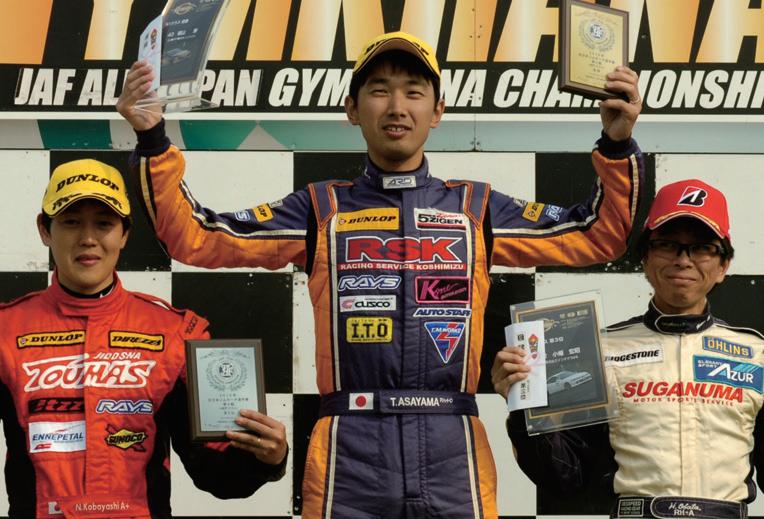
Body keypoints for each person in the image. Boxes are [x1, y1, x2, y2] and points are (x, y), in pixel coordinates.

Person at [117, 30, 644, 518]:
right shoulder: (320, 208)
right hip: (349, 446)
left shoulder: (476, 208)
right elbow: (197, 236)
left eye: (414, 92)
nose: (397, 107)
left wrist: (617, 144)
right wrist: (153, 138)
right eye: (379, 91)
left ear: (438, 111)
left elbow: (599, 234)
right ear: (352, 109)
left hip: (452, 443)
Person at [0, 159, 288, 518]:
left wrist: (265, 458)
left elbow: (215, 475)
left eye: (103, 224)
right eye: (71, 222)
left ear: (124, 234)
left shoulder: (174, 333)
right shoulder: (6, 330)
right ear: (45, 230)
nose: (87, 239)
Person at [493, 179, 764, 518]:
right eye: (668, 245)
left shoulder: (757, 353)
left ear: (723, 266)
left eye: (702, 248)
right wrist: (524, 404)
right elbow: (564, 479)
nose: (683, 260)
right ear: (644, 258)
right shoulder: (598, 349)